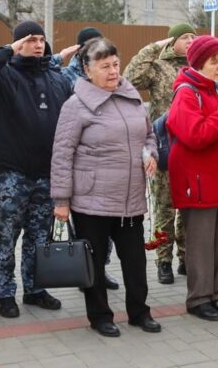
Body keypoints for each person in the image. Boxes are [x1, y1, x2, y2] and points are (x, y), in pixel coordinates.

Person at [51, 38, 162, 337]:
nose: (113, 72)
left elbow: (149, 136)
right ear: (88, 71)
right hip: (92, 201)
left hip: (131, 199)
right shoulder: (76, 106)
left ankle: (140, 312)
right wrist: (61, 200)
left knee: (136, 262)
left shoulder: (132, 98)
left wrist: (151, 153)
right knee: (95, 263)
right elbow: (62, 153)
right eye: (105, 67)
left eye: (115, 64)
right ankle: (100, 316)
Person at [0, 20, 72, 319]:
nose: (37, 44)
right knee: (5, 237)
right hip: (12, 172)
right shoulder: (3, 75)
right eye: (30, 39)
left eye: (40, 39)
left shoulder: (57, 78)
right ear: (18, 43)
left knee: (38, 237)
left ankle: (35, 289)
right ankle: (5, 292)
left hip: (45, 174)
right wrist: (8, 50)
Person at [166, 36, 218, 322]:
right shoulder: (186, 93)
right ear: (199, 63)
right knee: (201, 243)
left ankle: (216, 293)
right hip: (198, 183)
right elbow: (195, 135)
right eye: (214, 61)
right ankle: (198, 297)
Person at [124, 22, 196, 285]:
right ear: (171, 41)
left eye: (193, 37)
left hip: (192, 146)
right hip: (165, 144)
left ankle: (186, 258)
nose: (190, 41)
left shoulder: (197, 67)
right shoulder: (157, 66)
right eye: (184, 37)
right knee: (164, 206)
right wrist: (152, 49)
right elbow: (130, 78)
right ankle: (163, 260)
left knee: (188, 207)